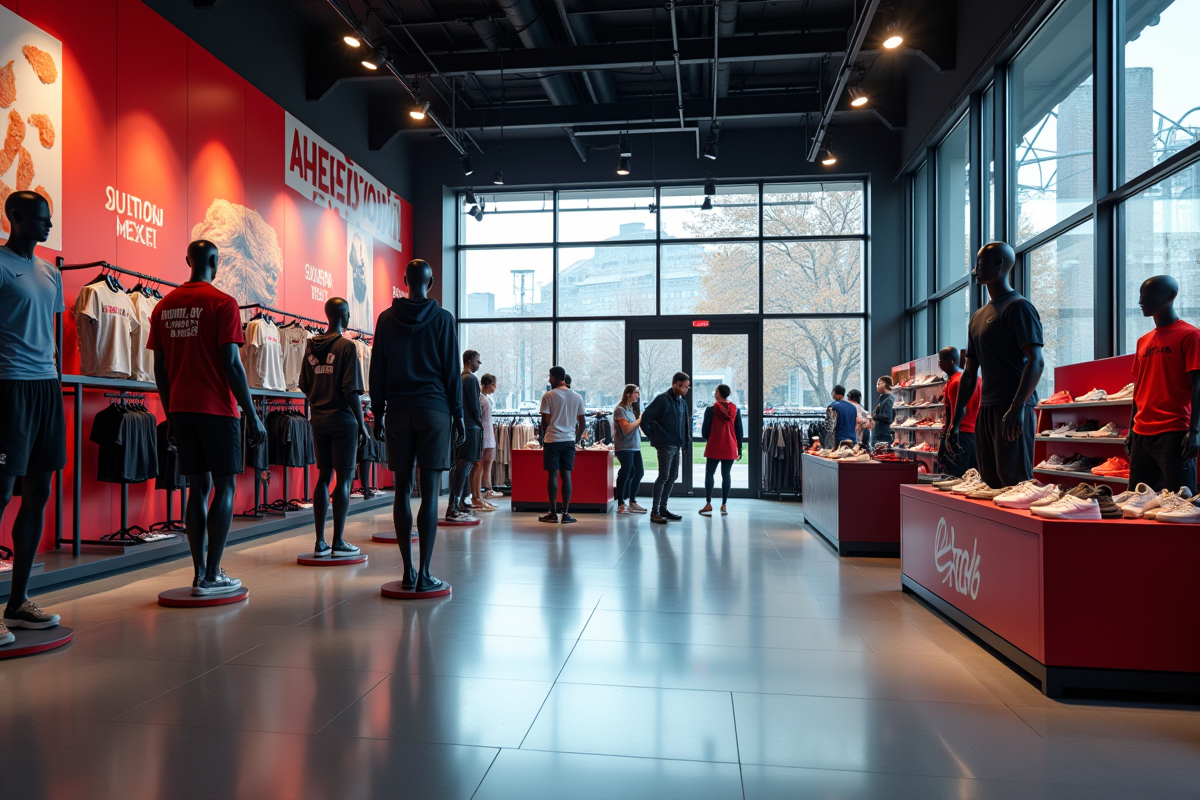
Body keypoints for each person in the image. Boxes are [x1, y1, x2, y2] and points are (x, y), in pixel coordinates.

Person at [150, 239, 267, 597]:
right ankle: (214, 574)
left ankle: (200, 573)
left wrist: (170, 414)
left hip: (182, 409)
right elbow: (232, 364)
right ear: (215, 261)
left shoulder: (163, 307)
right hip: (217, 408)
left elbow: (160, 369)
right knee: (225, 486)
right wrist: (253, 414)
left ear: (188, 260)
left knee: (197, 489)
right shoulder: (223, 303)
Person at [371, 258, 464, 592]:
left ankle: (408, 571)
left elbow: (377, 372)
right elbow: (452, 372)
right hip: (435, 411)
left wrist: (378, 413)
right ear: (432, 280)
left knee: (401, 491)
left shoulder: (385, 319)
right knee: (429, 492)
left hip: (397, 411)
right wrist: (459, 415)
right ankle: (425, 572)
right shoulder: (443, 320)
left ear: (404, 280)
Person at [0, 190, 66, 638]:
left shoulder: (49, 273)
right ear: (16, 218)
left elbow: (51, 334)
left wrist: (56, 379)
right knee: (0, 495)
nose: (47, 226)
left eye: (50, 218)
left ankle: (18, 601)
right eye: (40, 219)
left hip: (46, 389)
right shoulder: (0, 266)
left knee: (38, 493)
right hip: (9, 388)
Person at [948, 242, 1044, 489]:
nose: (975, 270)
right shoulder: (978, 317)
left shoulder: (1019, 307)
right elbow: (969, 373)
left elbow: (1036, 361)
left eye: (980, 263)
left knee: (1015, 482)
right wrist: (956, 419)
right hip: (987, 408)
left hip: (1013, 406)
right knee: (989, 481)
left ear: (999, 264)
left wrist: (1017, 406)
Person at [298, 297, 367, 558]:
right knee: (345, 478)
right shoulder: (347, 347)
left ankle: (319, 542)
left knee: (323, 477)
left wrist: (320, 398)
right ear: (345, 316)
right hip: (343, 420)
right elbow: (351, 391)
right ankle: (338, 540)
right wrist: (362, 425)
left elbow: (304, 384)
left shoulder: (309, 345)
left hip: (319, 419)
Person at [1126, 275, 1200, 493]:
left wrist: (1195, 431)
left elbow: (1198, 385)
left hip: (1174, 431)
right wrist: (1131, 428)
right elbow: (1139, 389)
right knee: (1136, 501)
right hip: (1141, 434)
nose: (1141, 301)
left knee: (1182, 503)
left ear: (1170, 296)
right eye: (1140, 296)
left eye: (1148, 296)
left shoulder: (1190, 335)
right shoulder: (1143, 341)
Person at [641, 372, 691, 524]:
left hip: (677, 444)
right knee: (663, 476)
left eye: (688, 387)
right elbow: (646, 418)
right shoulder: (662, 399)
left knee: (673, 476)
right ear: (676, 384)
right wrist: (653, 435)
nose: (686, 390)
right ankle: (655, 512)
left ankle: (663, 508)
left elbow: (685, 425)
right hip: (665, 444)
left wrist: (686, 444)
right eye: (684, 387)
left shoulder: (682, 403)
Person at [539, 365, 585, 523]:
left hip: (552, 440)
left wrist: (544, 437)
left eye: (549, 376)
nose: (548, 379)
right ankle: (565, 513)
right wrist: (575, 439)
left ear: (554, 377)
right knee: (566, 475)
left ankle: (552, 512)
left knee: (552, 475)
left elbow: (544, 422)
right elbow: (582, 423)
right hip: (568, 441)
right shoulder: (577, 397)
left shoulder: (548, 396)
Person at [447, 349, 483, 520]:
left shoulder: (458, 379)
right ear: (468, 361)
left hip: (459, 426)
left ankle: (460, 503)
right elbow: (475, 407)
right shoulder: (471, 379)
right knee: (464, 466)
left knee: (461, 466)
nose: (479, 364)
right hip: (470, 427)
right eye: (477, 361)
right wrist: (480, 422)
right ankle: (454, 505)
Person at [699, 384, 743, 516]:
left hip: (714, 445)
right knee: (726, 475)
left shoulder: (711, 410)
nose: (715, 392)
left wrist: (711, 438)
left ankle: (708, 503)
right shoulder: (735, 409)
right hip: (730, 446)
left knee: (709, 473)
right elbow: (739, 430)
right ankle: (724, 505)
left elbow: (704, 431)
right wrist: (739, 448)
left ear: (718, 393)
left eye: (716, 391)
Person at [938, 345, 979, 477]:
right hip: (974, 435)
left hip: (959, 434)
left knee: (954, 477)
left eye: (942, 360)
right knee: (973, 477)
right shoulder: (978, 380)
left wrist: (946, 438)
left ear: (951, 361)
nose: (939, 364)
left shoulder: (956, 382)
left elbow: (957, 411)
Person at [613, 384, 647, 514]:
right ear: (628, 394)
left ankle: (632, 501)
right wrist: (640, 419)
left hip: (635, 447)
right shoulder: (620, 410)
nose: (638, 395)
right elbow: (626, 428)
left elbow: (635, 427)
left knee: (639, 472)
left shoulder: (630, 409)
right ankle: (621, 503)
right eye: (636, 393)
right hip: (625, 447)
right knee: (625, 473)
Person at [471, 373, 499, 510]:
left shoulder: (487, 398)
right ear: (488, 384)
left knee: (487, 461)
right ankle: (478, 495)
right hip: (483, 432)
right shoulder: (480, 398)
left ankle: (488, 489)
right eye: (494, 384)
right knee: (479, 463)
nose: (495, 387)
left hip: (487, 431)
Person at [871, 377, 895, 447]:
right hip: (880, 435)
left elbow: (888, 417)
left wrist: (874, 416)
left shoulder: (889, 400)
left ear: (884, 383)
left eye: (878, 384)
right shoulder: (883, 398)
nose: (877, 387)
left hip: (885, 436)